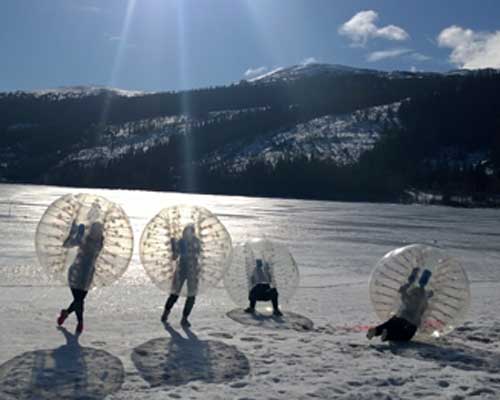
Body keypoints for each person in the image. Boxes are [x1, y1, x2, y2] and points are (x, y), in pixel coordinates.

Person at [57, 221, 104, 334]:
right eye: (94, 230)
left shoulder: (99, 242)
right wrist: (74, 233)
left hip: (87, 274)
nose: (95, 232)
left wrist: (78, 234)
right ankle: (80, 322)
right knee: (79, 300)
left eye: (97, 230)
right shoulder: (83, 238)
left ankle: (66, 313)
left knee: (79, 299)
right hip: (76, 272)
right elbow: (67, 245)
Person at [367, 267, 433, 342]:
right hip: (411, 322)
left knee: (390, 324)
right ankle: (388, 335)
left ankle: (376, 330)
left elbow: (404, 298)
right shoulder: (423, 297)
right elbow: (423, 311)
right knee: (405, 336)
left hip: (400, 315)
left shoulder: (411, 291)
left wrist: (404, 290)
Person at [161, 224, 201, 327]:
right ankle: (165, 314)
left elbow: (201, 255)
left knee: (191, 296)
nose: (188, 234)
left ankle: (184, 318)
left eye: (190, 232)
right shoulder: (181, 242)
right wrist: (174, 247)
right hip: (181, 270)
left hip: (193, 271)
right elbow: (174, 257)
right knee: (174, 293)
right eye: (186, 232)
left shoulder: (197, 242)